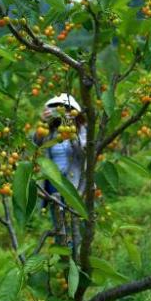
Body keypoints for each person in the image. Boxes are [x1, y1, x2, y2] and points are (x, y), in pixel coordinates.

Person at [34, 94, 87, 249]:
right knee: (59, 224)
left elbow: (83, 153)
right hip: (53, 184)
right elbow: (34, 144)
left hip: (74, 184)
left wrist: (71, 131)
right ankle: (64, 256)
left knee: (76, 222)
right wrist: (43, 122)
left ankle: (77, 255)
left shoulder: (81, 130)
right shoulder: (49, 131)